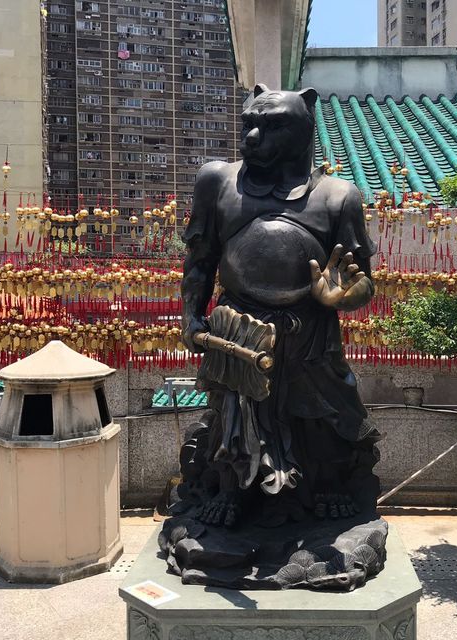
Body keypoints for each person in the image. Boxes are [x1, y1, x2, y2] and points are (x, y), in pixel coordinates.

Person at [179, 84, 380, 527]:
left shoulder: (337, 196)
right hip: (237, 327)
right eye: (250, 123)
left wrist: (343, 296)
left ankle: (327, 486)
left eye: (272, 127)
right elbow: (199, 260)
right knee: (234, 413)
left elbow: (363, 283)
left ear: (305, 126)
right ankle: (232, 490)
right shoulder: (216, 181)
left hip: (309, 330)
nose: (254, 137)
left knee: (323, 413)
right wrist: (191, 316)